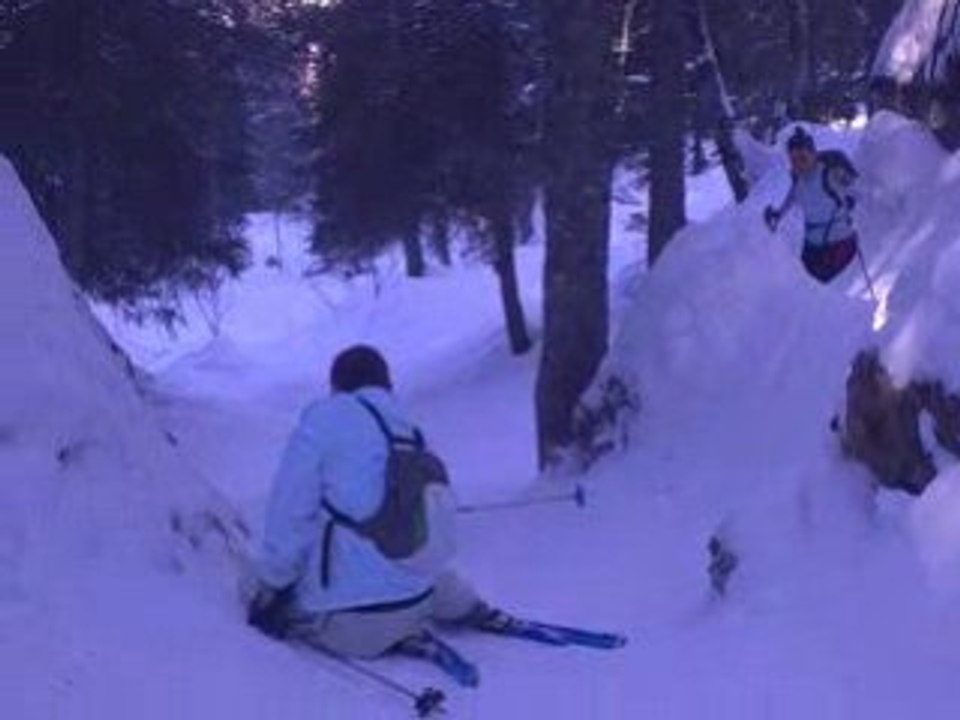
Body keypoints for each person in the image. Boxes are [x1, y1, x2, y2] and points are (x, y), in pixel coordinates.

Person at [247, 345, 488, 659]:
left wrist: (271, 586)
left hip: (349, 625)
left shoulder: (325, 418)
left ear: (337, 386)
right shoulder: (412, 427)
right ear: (386, 383)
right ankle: (454, 602)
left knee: (252, 584)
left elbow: (291, 511)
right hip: (420, 601)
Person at [764, 126, 861, 283]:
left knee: (826, 292)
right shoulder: (798, 178)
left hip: (840, 244)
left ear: (813, 153)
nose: (798, 164)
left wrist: (851, 197)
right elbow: (792, 197)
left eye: (802, 157)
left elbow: (857, 187)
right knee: (805, 289)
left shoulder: (829, 172)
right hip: (812, 247)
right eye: (793, 159)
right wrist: (778, 214)